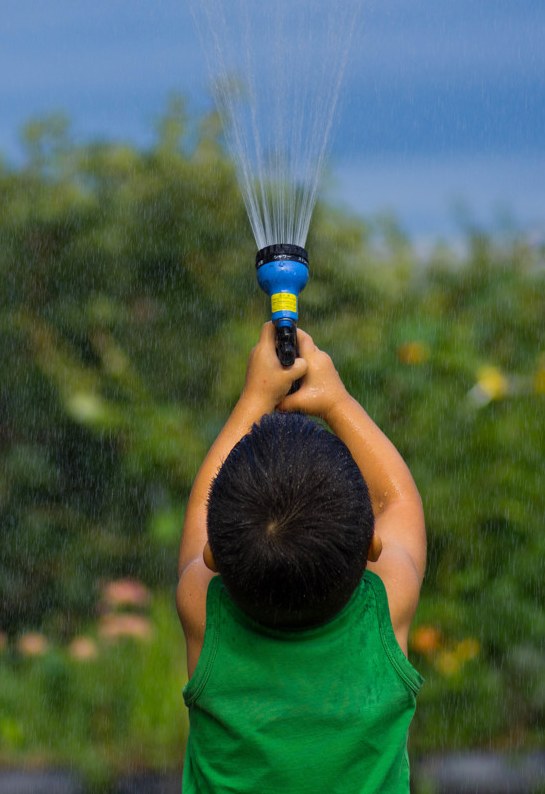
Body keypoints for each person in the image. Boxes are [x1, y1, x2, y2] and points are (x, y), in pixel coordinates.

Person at [176, 321, 427, 793]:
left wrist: (252, 401)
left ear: (214, 554)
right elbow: (400, 503)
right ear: (372, 546)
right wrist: (337, 403)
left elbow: (198, 515)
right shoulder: (386, 607)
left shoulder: (204, 613)